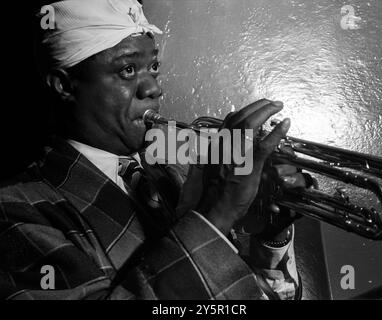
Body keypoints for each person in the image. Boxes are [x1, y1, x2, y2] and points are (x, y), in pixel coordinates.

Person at [0, 0, 311, 300]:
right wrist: (217, 213)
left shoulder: (179, 160)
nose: (153, 88)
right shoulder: (16, 209)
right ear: (64, 85)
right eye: (127, 70)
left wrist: (270, 235)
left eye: (153, 66)